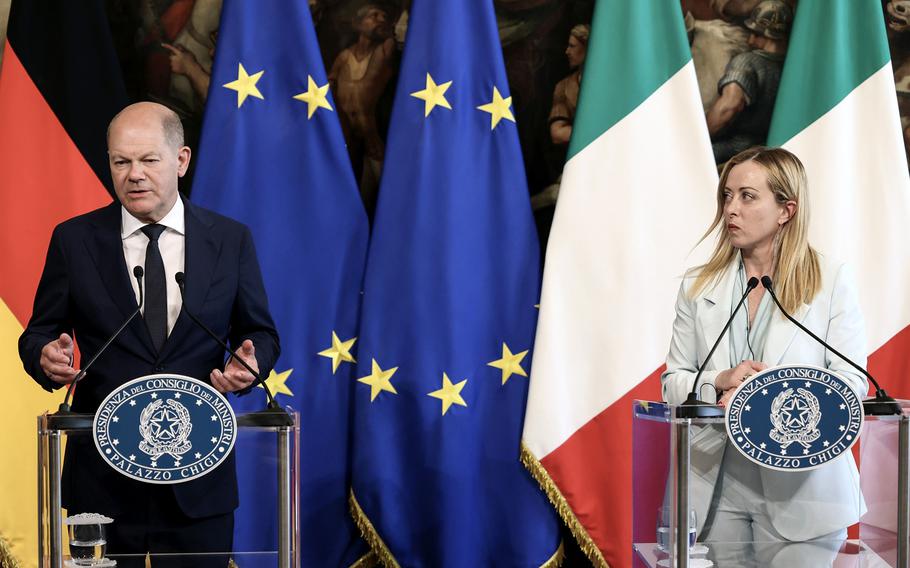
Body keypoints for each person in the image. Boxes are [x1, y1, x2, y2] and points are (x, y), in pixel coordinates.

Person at [19, 102, 280, 567]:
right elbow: (39, 333)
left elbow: (259, 333)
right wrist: (46, 356)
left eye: (148, 160)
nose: (134, 174)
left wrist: (250, 362)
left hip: (197, 478)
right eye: (121, 162)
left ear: (180, 160)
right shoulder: (75, 240)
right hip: (103, 481)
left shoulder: (229, 239)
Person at [661, 147, 866, 552]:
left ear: (786, 210)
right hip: (713, 487)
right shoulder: (697, 286)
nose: (730, 209)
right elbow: (672, 383)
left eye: (747, 196)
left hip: (804, 487)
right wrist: (719, 380)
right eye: (726, 195)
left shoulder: (831, 280)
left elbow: (852, 384)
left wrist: (765, 392)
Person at [706, 0, 791, 163]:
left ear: (769, 35)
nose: (750, 40)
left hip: (737, 147)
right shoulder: (791, 68)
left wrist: (698, 137)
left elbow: (727, 108)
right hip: (771, 148)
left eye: (757, 34)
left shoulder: (746, 62)